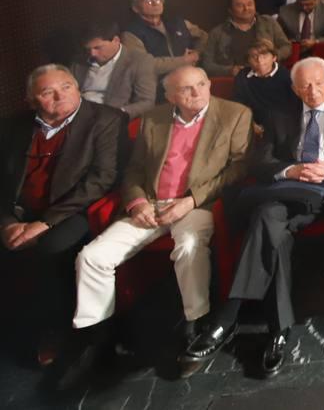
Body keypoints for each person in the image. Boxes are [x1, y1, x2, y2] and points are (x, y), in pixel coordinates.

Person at [61, 66, 251, 388]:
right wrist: (137, 202)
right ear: (169, 96)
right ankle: (102, 339)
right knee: (92, 257)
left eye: (201, 84)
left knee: (189, 247)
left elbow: (237, 168)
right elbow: (134, 169)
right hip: (150, 204)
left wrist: (190, 200)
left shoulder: (234, 114)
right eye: (186, 89)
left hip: (196, 204)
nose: (198, 92)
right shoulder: (154, 118)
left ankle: (196, 321)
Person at [181, 57, 324, 377]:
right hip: (284, 195)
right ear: (294, 88)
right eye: (305, 84)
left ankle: (227, 319)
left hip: (322, 198)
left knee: (265, 217)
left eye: (319, 82)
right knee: (270, 225)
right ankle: (279, 329)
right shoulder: (280, 115)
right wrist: (291, 169)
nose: (313, 90)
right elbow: (259, 164)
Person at [1, 66, 122, 366]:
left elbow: (100, 180)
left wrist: (44, 223)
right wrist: (6, 222)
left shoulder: (106, 119)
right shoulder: (13, 126)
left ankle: (57, 328)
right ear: (32, 100)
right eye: (47, 92)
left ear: (78, 86)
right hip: (18, 213)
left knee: (51, 247)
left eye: (66, 86)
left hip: (73, 211)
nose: (60, 96)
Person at [71, 23, 156, 118]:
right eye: (88, 49)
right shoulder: (80, 61)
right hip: (79, 114)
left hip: (111, 117)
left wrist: (118, 113)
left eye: (97, 48)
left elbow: (147, 102)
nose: (92, 54)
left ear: (116, 40)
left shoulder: (139, 61)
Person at [121, 0, 205, 79]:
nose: (155, 3)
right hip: (158, 85)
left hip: (189, 78)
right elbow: (144, 65)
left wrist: (197, 52)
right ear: (135, 8)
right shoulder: (131, 34)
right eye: (148, 1)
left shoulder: (178, 22)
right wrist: (184, 60)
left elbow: (204, 36)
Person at [203, 0, 292, 78]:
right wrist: (229, 70)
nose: (246, 8)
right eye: (240, 6)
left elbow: (286, 46)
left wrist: (270, 58)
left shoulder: (268, 23)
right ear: (230, 10)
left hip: (268, 76)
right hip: (234, 80)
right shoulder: (217, 32)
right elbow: (207, 63)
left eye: (250, 4)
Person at [232, 40, 295, 132]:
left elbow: (291, 109)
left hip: (281, 126)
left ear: (274, 57)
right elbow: (238, 104)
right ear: (248, 61)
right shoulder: (242, 76)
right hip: (250, 123)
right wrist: (250, 124)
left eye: (264, 56)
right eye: (254, 56)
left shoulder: (287, 76)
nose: (259, 60)